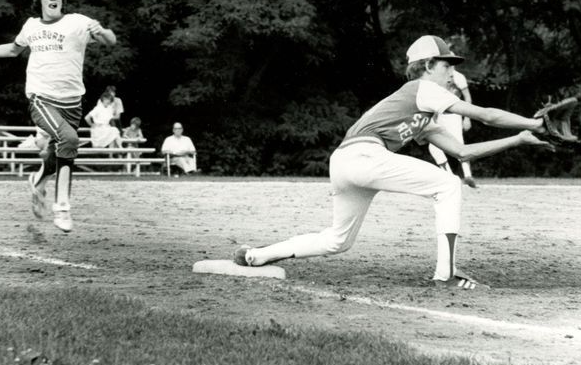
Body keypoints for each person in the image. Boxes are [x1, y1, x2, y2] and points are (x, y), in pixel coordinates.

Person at [234, 35, 555, 290]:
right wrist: (533, 123)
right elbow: (485, 115)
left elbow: (462, 153)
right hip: (364, 155)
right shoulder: (423, 88)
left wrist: (518, 139)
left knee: (338, 240)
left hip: (345, 163)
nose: (452, 74)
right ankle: (447, 276)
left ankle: (256, 255)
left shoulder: (421, 110)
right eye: (447, 66)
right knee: (447, 185)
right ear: (428, 64)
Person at [0, 0, 117, 232]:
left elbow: (110, 40)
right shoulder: (31, 26)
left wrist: (103, 29)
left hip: (72, 102)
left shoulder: (77, 22)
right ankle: (62, 207)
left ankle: (38, 181)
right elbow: (12, 50)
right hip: (41, 99)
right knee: (70, 140)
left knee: (57, 155)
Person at [428, 68, 477, 188]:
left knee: (458, 145)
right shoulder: (436, 76)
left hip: (454, 115)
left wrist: (467, 118)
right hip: (439, 114)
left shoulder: (458, 77)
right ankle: (448, 176)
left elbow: (467, 98)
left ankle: (468, 176)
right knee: (434, 145)